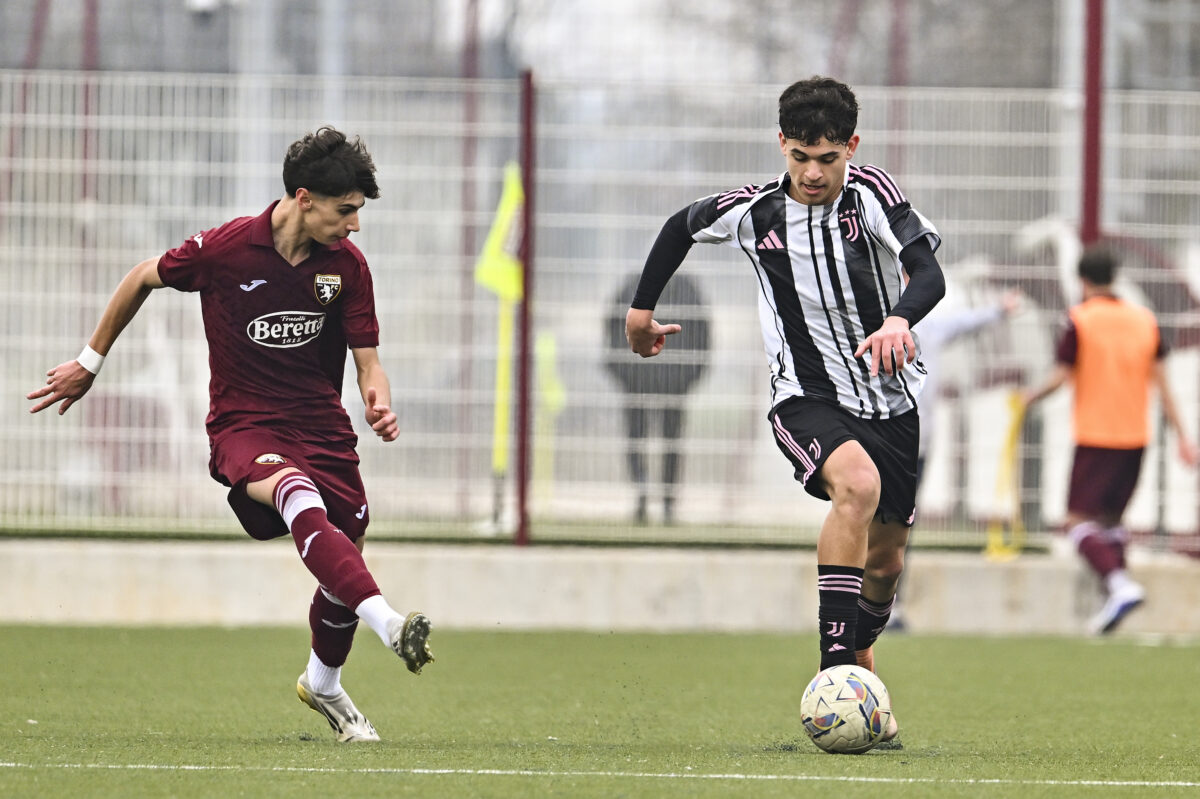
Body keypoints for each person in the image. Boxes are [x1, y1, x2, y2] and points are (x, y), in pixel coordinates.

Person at [27, 126, 434, 742]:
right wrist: (90, 362)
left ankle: (323, 683)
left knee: (344, 546)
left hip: (323, 427)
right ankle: (390, 624)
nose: (355, 225)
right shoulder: (223, 250)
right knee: (297, 492)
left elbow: (367, 359)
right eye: (346, 210)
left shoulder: (346, 267)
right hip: (245, 426)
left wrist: (377, 394)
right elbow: (142, 276)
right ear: (304, 198)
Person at [624, 76, 945, 747]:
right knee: (856, 486)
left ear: (851, 148)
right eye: (801, 155)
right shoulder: (756, 211)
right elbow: (678, 226)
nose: (813, 172)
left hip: (889, 402)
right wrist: (639, 313)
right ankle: (835, 676)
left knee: (886, 566)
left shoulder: (874, 195)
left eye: (828, 158)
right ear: (782, 144)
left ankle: (859, 665)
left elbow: (927, 271)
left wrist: (896, 319)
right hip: (804, 398)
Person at [1021, 245, 1197, 635]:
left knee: (1076, 522)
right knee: (1112, 523)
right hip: (1135, 437)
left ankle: (1119, 585)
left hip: (1096, 435)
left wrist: (1029, 397)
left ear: (1082, 280)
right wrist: (1184, 437)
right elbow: (1164, 385)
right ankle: (1115, 597)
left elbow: (1061, 377)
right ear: (1114, 277)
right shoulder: (1144, 321)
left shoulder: (1081, 320)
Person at [604, 271, 710, 525]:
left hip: (666, 382)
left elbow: (703, 336)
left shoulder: (642, 286)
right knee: (640, 440)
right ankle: (645, 493)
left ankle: (666, 499)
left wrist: (689, 377)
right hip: (639, 381)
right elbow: (612, 330)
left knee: (666, 442)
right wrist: (622, 373)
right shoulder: (632, 285)